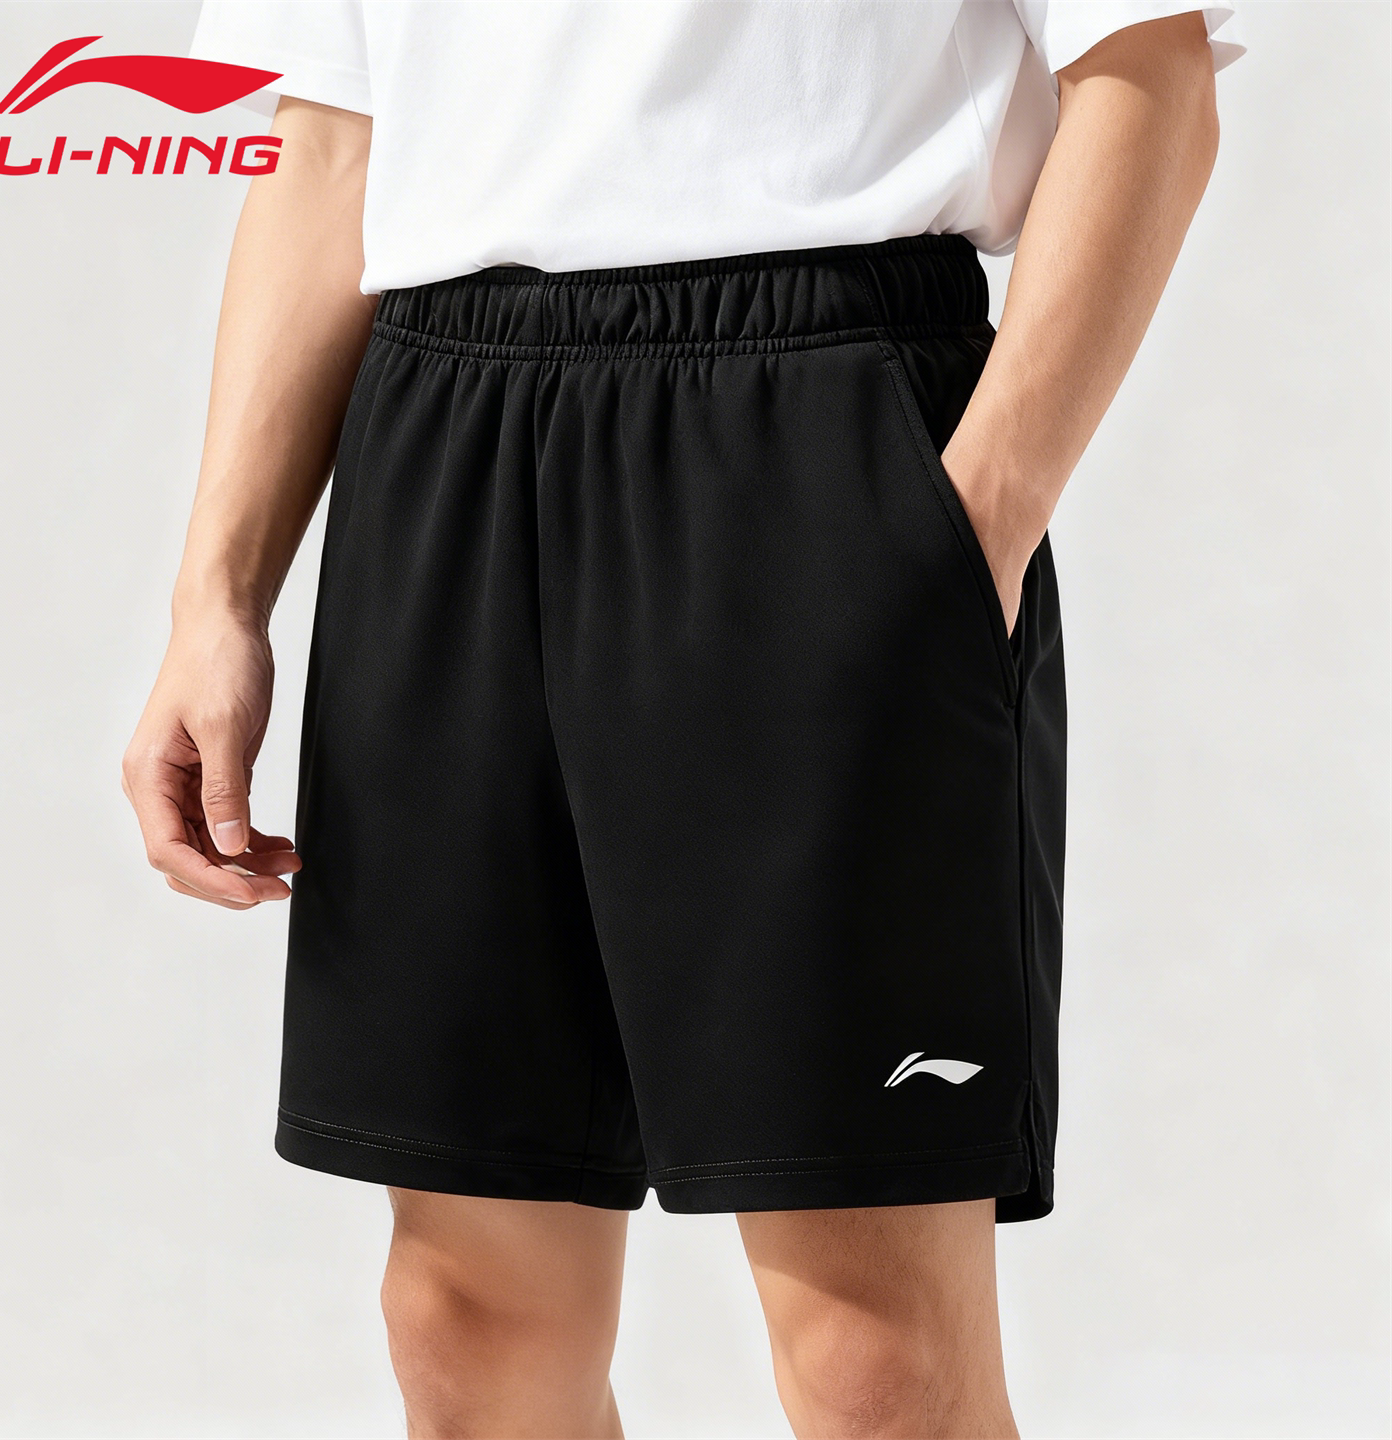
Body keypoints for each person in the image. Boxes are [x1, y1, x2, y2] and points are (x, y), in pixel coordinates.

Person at [123, 3, 1245, 1435]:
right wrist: (216, 600)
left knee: (875, 1357)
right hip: (440, 443)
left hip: (815, 413)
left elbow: (1150, 66)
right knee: (462, 1320)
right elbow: (331, 143)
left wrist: (972, 525)